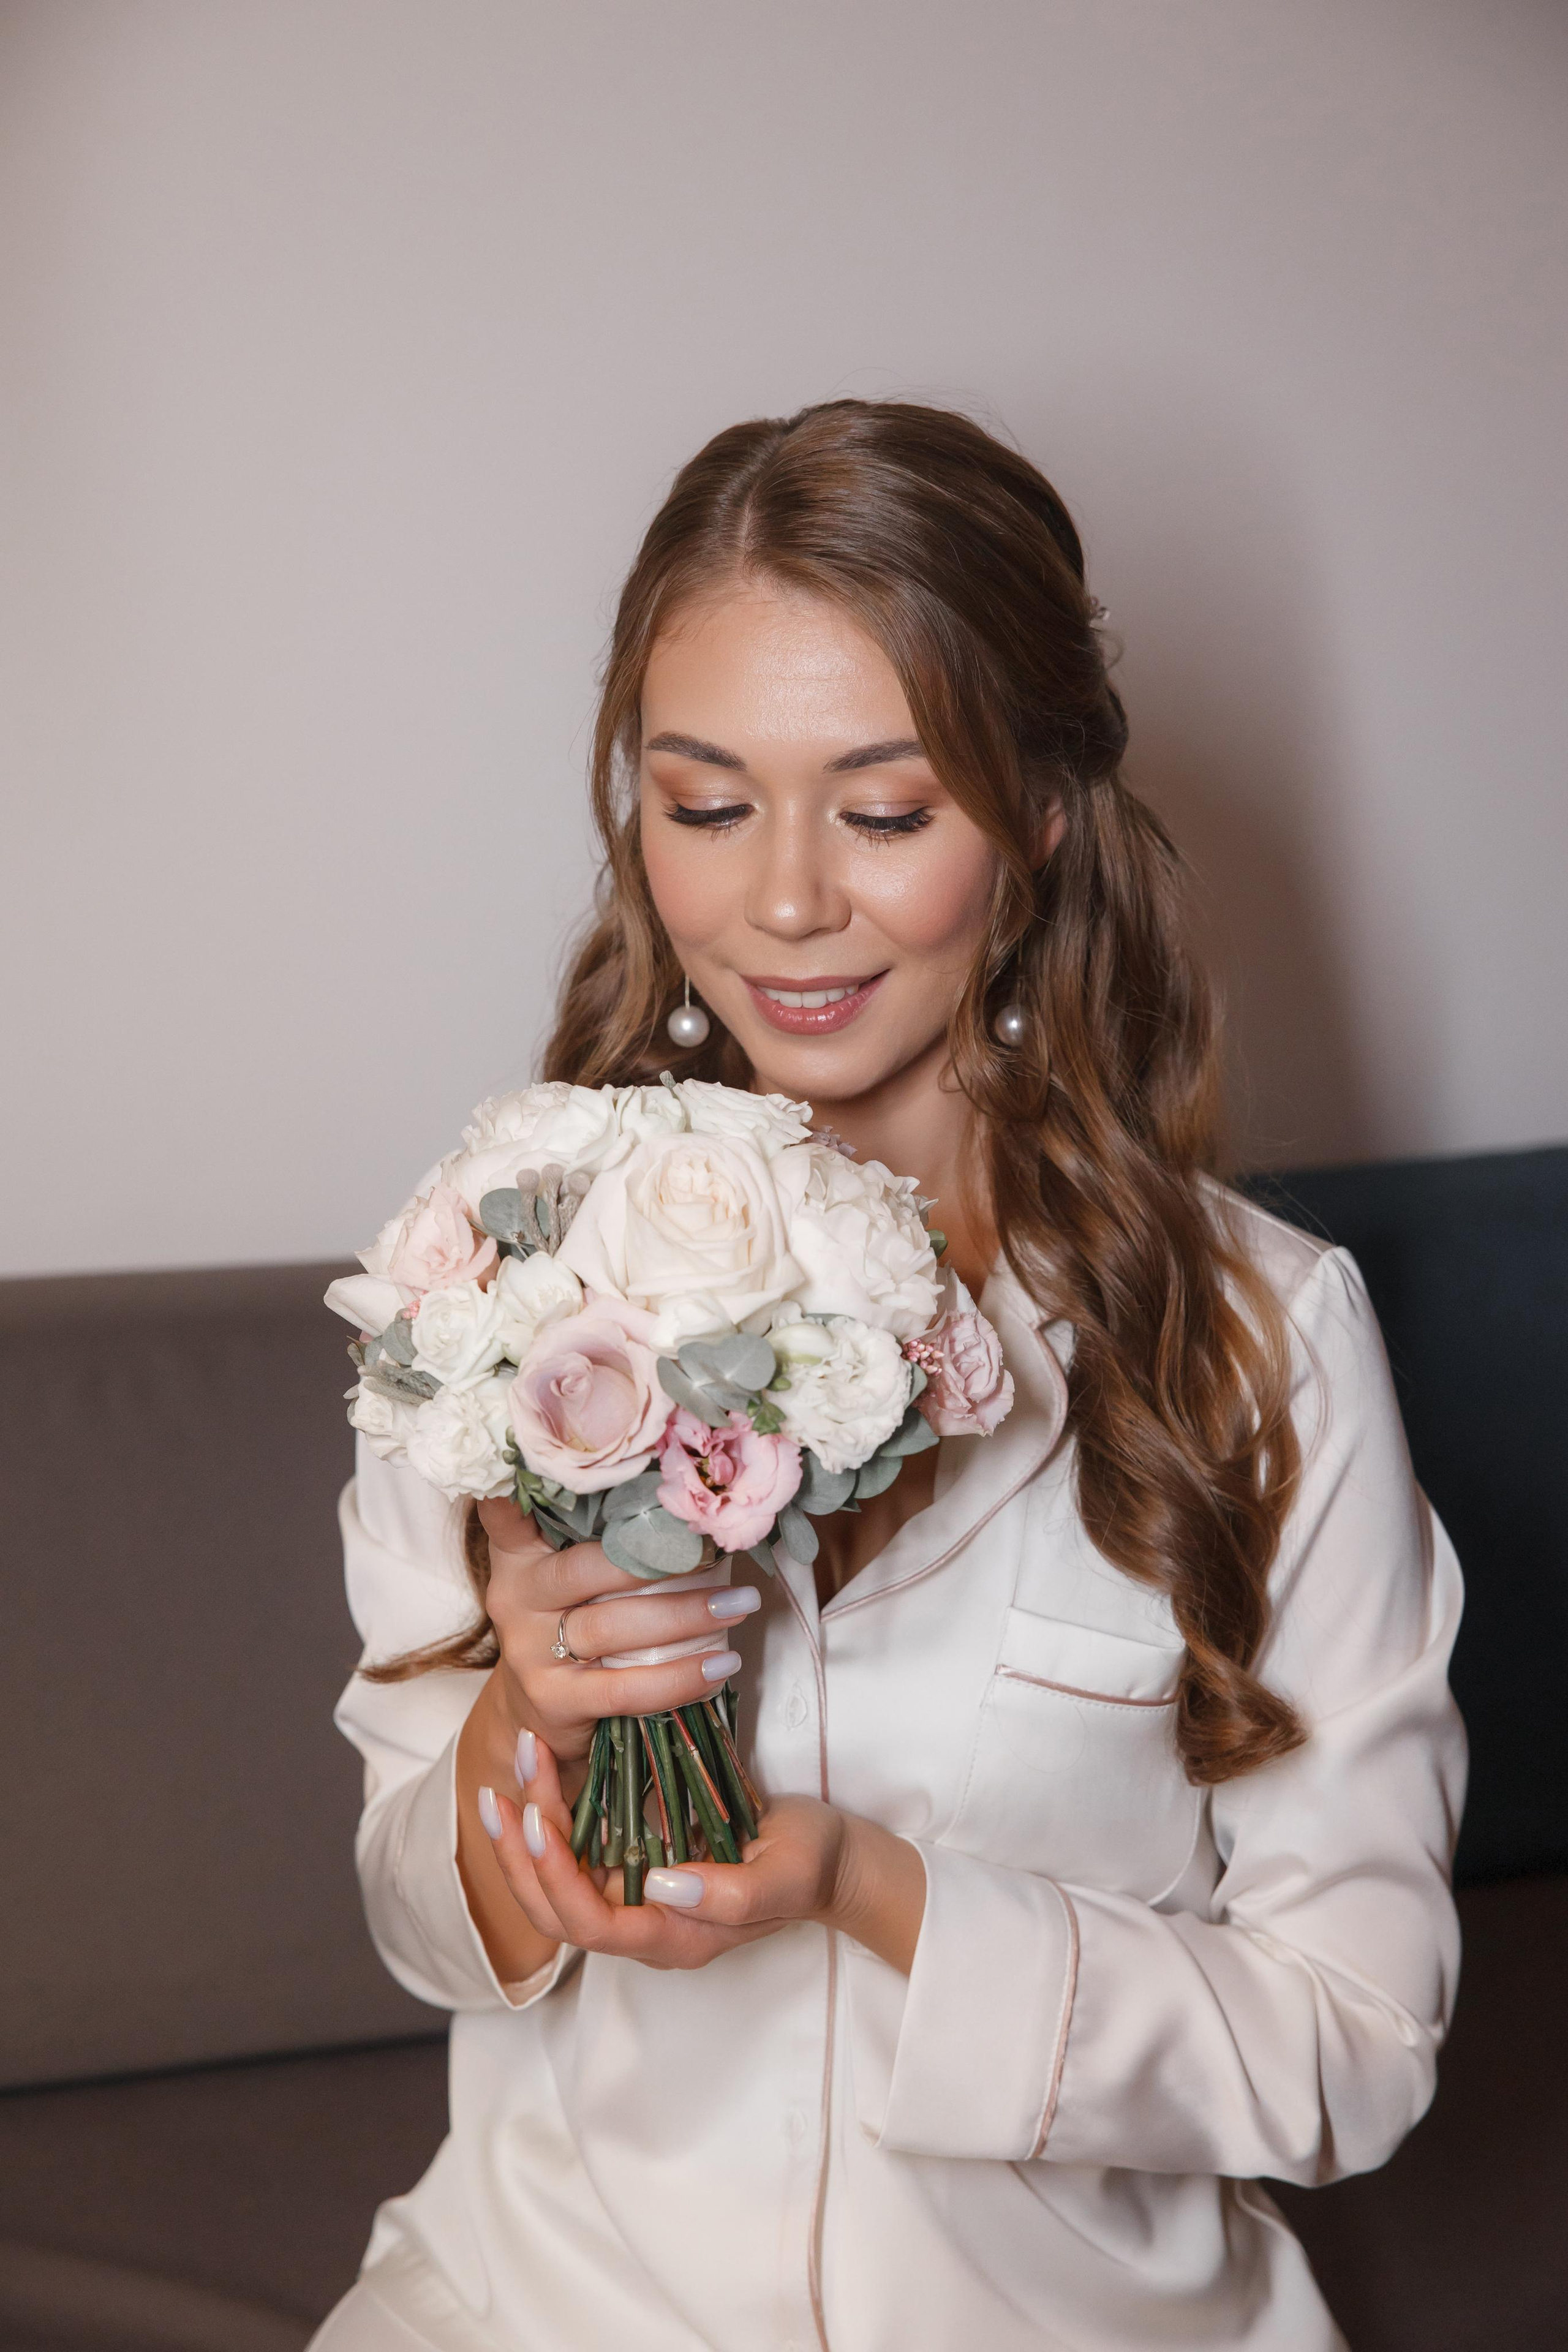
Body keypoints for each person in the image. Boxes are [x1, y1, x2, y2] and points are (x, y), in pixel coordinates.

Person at [311, 400, 1465, 2352]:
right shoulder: (515, 1281)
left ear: (1041, 818)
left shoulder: (1267, 1344)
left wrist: (868, 1887)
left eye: (885, 808)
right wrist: (534, 1733)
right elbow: (428, 1921)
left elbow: (1352, 2042)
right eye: (704, 803)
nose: (782, 902)